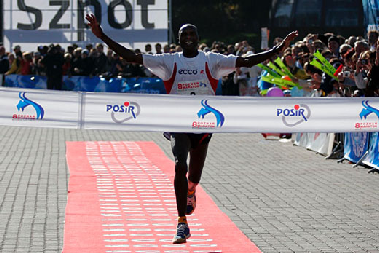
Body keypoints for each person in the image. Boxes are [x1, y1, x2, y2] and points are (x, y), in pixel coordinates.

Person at [86, 13, 297, 244]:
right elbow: (131, 57)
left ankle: (191, 190)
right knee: (179, 166)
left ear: (198, 38)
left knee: (194, 176)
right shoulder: (169, 61)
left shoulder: (211, 60)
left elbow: (247, 61)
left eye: (191, 34)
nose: (188, 37)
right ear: (178, 39)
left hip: (204, 125)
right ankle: (181, 223)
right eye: (183, 35)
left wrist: (280, 48)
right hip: (178, 122)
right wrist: (102, 35)